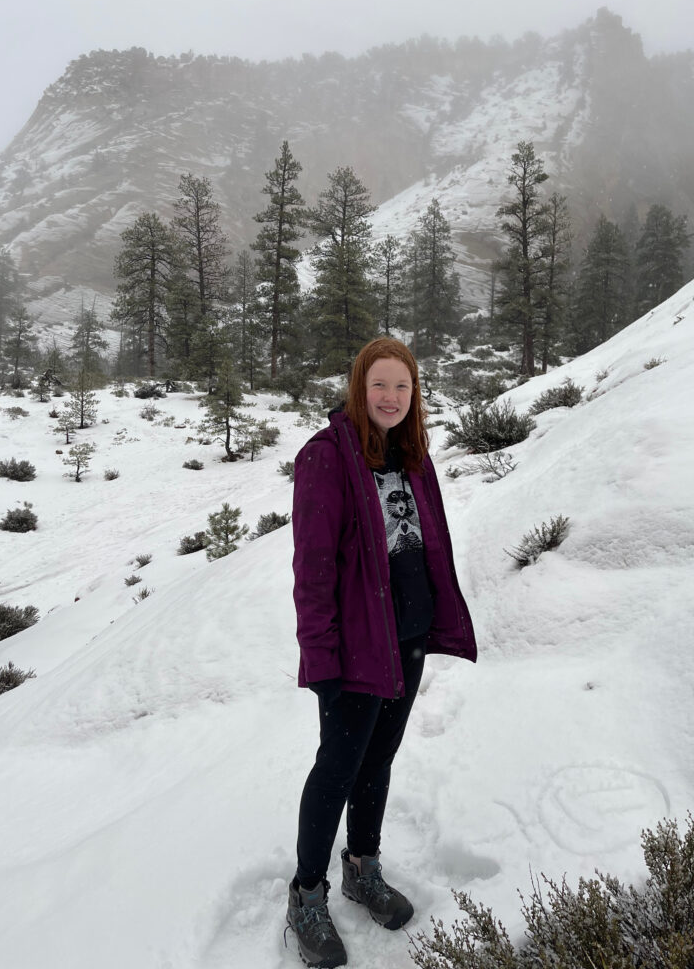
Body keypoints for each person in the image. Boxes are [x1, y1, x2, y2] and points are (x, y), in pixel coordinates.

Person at [286, 338, 477, 969]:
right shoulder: (326, 458)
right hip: (356, 651)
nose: (391, 398)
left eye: (403, 387)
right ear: (358, 389)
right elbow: (312, 570)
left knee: (379, 762)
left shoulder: (414, 456)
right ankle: (306, 893)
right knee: (337, 768)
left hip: (408, 640)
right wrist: (321, 658)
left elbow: (433, 546)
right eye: (379, 386)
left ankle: (361, 867)